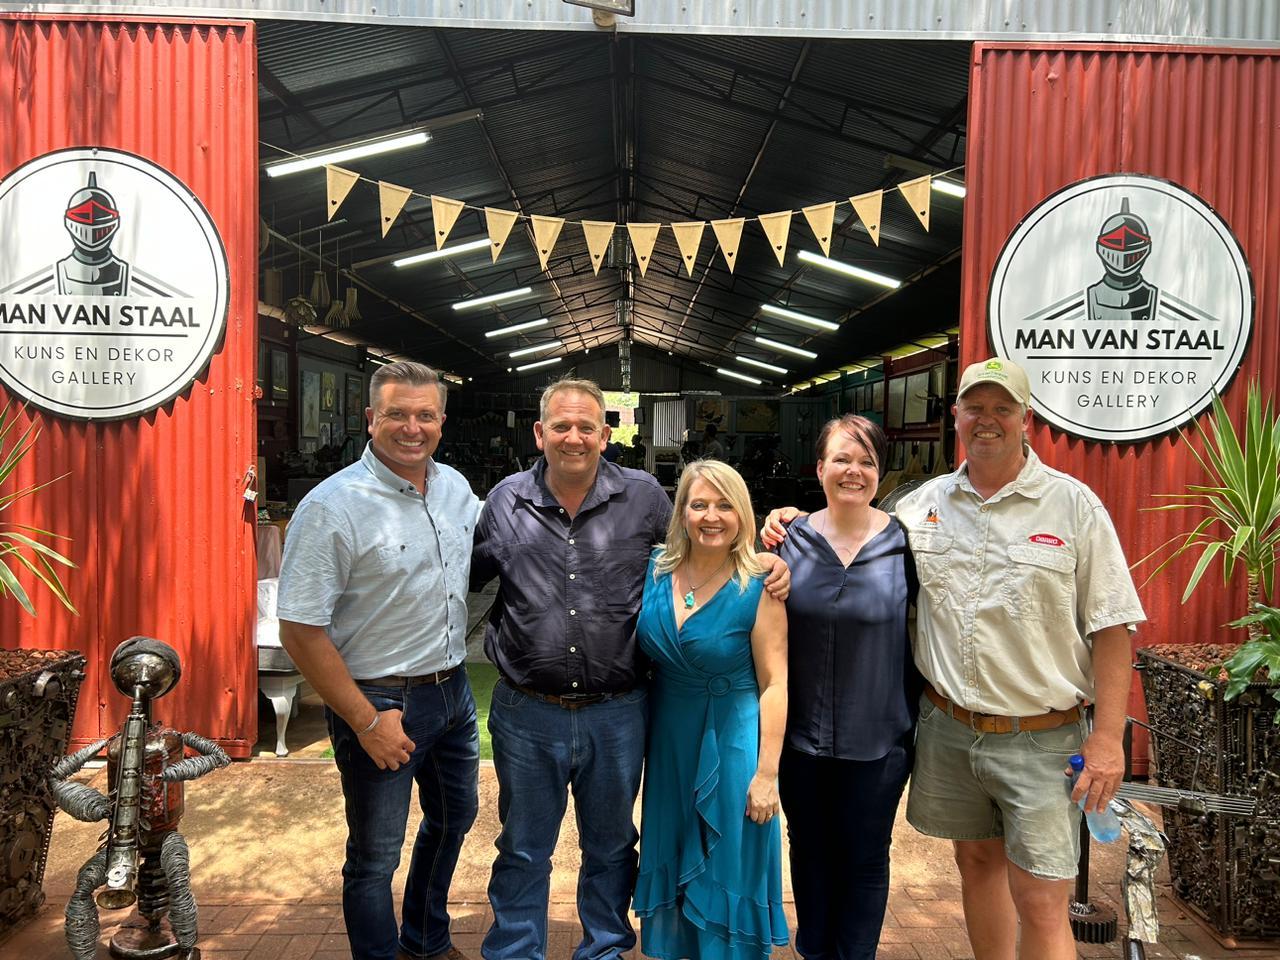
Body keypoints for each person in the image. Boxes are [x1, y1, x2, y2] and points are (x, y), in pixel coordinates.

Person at [763, 357, 1146, 960]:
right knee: (976, 865)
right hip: (952, 729)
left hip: (1041, 735)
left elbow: (1113, 626)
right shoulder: (921, 508)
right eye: (975, 408)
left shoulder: (1073, 506)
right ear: (957, 416)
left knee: (1042, 899)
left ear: (1027, 418)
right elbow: (853, 528)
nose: (987, 420)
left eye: (1002, 409)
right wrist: (784, 524)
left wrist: (1106, 740)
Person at [471, 377, 789, 960]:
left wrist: (770, 555)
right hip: (526, 712)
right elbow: (458, 584)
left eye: (586, 427)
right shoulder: (504, 502)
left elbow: (701, 545)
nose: (573, 437)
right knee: (522, 848)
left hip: (617, 714)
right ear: (539, 433)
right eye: (561, 426)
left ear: (606, 435)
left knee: (613, 848)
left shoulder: (643, 497)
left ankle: (604, 951)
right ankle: (515, 952)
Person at [277, 361, 480, 960]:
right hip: (379, 699)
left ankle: (426, 941)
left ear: (441, 421)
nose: (411, 427)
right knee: (374, 856)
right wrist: (366, 721)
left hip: (452, 691)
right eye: (397, 414)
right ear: (371, 419)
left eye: (425, 415)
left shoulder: (455, 488)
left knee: (454, 820)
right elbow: (299, 629)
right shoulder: (332, 506)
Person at [773, 414, 920, 960]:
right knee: (808, 851)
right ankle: (814, 950)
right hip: (799, 738)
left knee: (865, 856)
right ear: (819, 468)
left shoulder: (906, 543)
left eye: (866, 461)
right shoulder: (789, 540)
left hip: (879, 740)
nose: (853, 471)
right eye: (841, 459)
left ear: (880, 473)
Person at [632, 459, 789, 960]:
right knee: (675, 856)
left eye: (724, 505)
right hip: (670, 745)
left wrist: (767, 774)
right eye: (698, 504)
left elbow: (775, 684)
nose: (711, 516)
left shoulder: (759, 583)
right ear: (682, 512)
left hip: (732, 743)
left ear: (742, 513)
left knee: (729, 864)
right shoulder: (656, 569)